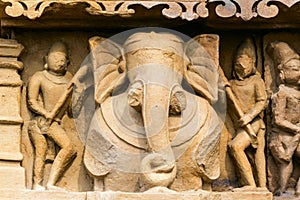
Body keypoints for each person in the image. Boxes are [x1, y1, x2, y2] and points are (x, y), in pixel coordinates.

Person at [27, 42, 76, 191]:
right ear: (46, 59)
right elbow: (31, 101)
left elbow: (70, 111)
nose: (59, 61)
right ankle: (37, 184)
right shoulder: (39, 77)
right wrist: (46, 113)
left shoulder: (68, 81)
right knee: (42, 150)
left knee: (69, 149)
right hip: (40, 122)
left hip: (54, 123)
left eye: (62, 59)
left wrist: (77, 97)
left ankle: (50, 183)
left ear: (67, 63)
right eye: (55, 57)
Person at [228, 38, 267, 189]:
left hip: (255, 123)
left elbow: (262, 101)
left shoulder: (256, 81)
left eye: (246, 64)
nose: (242, 68)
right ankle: (250, 184)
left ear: (252, 64)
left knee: (237, 147)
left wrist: (249, 116)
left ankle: (255, 185)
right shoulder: (231, 83)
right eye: (238, 64)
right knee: (250, 155)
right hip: (238, 125)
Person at [267, 41, 300, 196]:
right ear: (282, 73)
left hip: (297, 135)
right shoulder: (281, 93)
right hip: (282, 136)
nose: (298, 72)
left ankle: (296, 187)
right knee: (285, 163)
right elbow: (278, 120)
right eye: (294, 69)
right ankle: (283, 189)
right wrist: (296, 128)